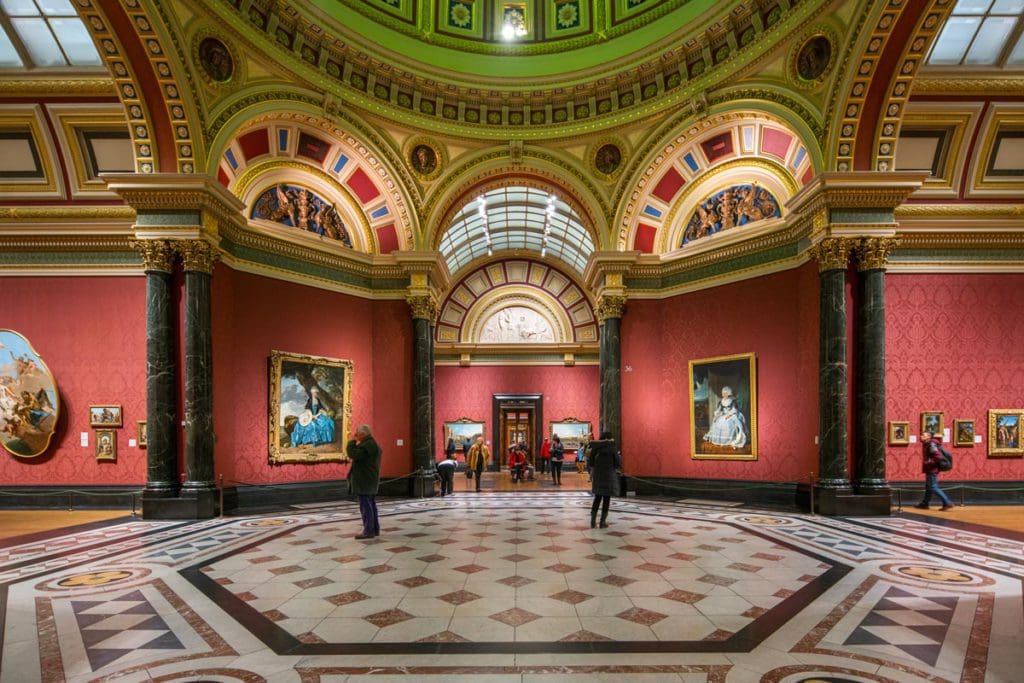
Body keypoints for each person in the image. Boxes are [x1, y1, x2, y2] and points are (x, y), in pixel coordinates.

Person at [346, 424, 382, 538]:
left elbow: (353, 454)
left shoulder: (368, 445)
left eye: (357, 433)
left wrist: (352, 441)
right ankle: (374, 529)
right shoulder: (370, 444)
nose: (356, 435)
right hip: (368, 479)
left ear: (363, 434)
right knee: (370, 504)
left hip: (365, 480)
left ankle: (368, 531)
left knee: (366, 506)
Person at [588, 431, 620, 528]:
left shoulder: (596, 447)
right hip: (608, 475)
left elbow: (591, 462)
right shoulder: (612, 447)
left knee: (597, 498)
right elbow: (617, 463)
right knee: (606, 499)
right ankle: (602, 522)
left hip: (598, 475)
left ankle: (593, 521)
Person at [916, 431, 953, 511]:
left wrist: (928, 462)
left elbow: (938, 456)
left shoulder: (931, 444)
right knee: (929, 487)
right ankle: (925, 503)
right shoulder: (927, 444)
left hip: (932, 469)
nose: (921, 436)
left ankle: (947, 502)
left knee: (933, 487)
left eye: (923, 435)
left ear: (928, 437)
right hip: (930, 468)